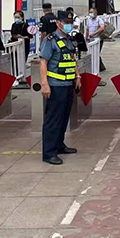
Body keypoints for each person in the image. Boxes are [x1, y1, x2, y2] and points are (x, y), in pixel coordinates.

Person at [39, 10, 82, 165]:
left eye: (70, 23)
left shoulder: (69, 40)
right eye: (66, 22)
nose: (69, 25)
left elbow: (72, 59)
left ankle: (59, 145)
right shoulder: (50, 40)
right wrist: (44, 84)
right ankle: (49, 152)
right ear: (58, 23)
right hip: (56, 85)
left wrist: (77, 76)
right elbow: (43, 62)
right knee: (53, 119)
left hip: (68, 84)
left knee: (64, 117)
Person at [85, 8, 106, 72]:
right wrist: (86, 37)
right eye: (89, 12)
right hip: (91, 40)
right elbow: (87, 29)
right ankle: (98, 66)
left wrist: (94, 33)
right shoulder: (89, 20)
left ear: (95, 13)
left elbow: (102, 28)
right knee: (92, 53)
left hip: (98, 39)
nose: (90, 14)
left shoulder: (99, 19)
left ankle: (100, 67)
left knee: (96, 53)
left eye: (91, 12)